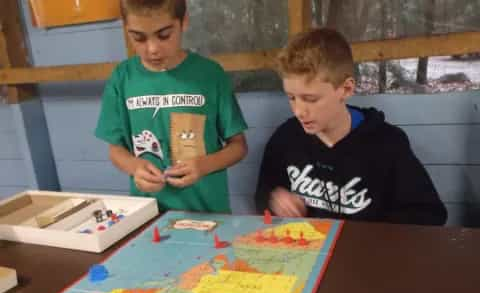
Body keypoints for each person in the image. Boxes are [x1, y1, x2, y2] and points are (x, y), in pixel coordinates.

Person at [255, 28, 447, 226]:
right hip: (306, 251)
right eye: (291, 98)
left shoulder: (387, 144)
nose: (299, 111)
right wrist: (274, 200)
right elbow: (263, 195)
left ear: (346, 89)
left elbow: (429, 214)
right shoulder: (285, 138)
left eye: (310, 99)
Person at [95, 0, 248, 213]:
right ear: (126, 28)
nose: (152, 49)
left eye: (164, 35)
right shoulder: (122, 78)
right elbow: (115, 150)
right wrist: (135, 167)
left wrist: (203, 166)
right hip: (149, 215)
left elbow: (238, 146)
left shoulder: (210, 74)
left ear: (183, 22)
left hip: (207, 213)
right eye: (138, 38)